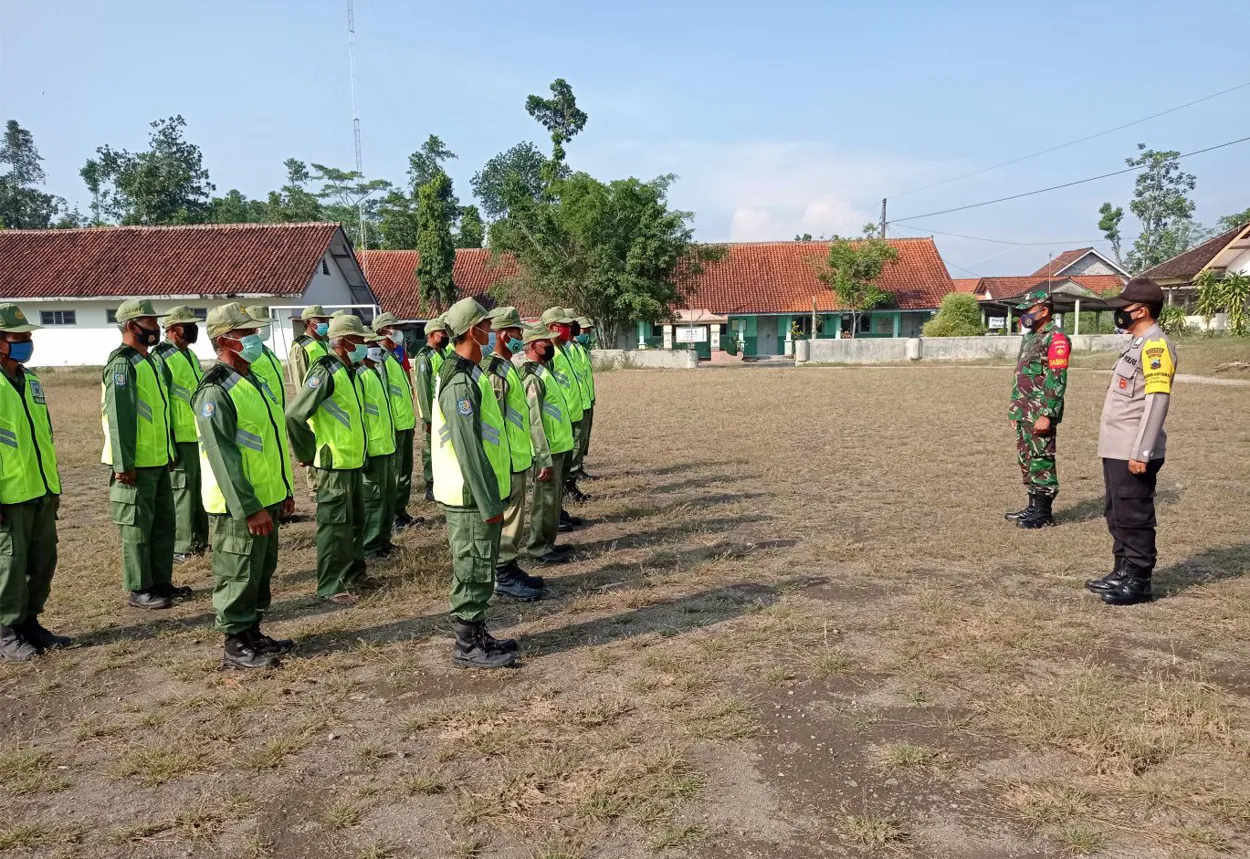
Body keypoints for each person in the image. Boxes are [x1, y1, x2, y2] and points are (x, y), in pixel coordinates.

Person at [192, 304, 296, 670]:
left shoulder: (253, 380)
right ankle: (235, 643)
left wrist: (283, 491)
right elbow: (223, 455)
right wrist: (249, 507)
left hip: (266, 496)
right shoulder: (215, 391)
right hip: (239, 505)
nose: (255, 339)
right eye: (246, 334)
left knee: (259, 572)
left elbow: (270, 440)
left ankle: (252, 632)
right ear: (224, 341)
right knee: (237, 573)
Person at [432, 298, 517, 669]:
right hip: (469, 495)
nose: (491, 331)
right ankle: (466, 646)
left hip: (479, 492)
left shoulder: (471, 371)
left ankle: (479, 633)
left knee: (481, 567)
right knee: (472, 567)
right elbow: (467, 447)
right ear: (472, 330)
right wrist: (488, 501)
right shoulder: (459, 381)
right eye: (486, 326)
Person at [1085, 278, 1178, 606]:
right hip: (1117, 446)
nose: (1120, 312)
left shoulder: (1156, 346)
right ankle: (1122, 570)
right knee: (1117, 512)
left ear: (1141, 310)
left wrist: (1142, 450)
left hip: (1133, 449)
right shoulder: (1135, 344)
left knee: (1134, 515)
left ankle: (1139, 581)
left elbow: (1157, 400)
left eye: (1124, 307)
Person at [102, 299, 187, 610]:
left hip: (158, 459)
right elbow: (120, 418)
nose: (155, 328)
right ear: (130, 326)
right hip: (135, 463)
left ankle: (161, 582)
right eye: (149, 322)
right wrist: (124, 463)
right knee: (137, 528)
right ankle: (140, 588)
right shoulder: (122, 365)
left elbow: (161, 412)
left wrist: (169, 450)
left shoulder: (150, 361)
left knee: (163, 526)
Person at [0, 304, 71, 660]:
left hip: (40, 490)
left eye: (28, 335)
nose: (28, 342)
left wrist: (53, 487)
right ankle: (5, 632)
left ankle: (30, 624)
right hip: (9, 496)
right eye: (19, 337)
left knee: (43, 561)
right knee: (9, 568)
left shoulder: (30, 380)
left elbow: (45, 435)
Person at [285, 314, 371, 605]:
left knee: (355, 523)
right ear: (345, 343)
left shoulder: (349, 370)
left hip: (352, 461)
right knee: (335, 527)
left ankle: (355, 574)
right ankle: (331, 585)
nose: (364, 345)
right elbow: (294, 415)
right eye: (359, 340)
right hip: (334, 465)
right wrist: (308, 453)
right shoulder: (325, 371)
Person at [482, 307, 543, 600]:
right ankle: (502, 574)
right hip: (505, 460)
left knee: (516, 518)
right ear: (504, 335)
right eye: (518, 332)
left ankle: (510, 565)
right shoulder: (494, 372)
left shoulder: (508, 367)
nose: (521, 337)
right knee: (508, 518)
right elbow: (493, 423)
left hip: (518, 456)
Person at [1004, 288, 1069, 529]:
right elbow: (1021, 375)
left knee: (1041, 459)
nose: (1025, 315)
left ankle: (1043, 512)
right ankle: (1032, 506)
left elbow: (1056, 378)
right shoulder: (1031, 337)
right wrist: (1015, 409)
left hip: (1040, 412)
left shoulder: (1056, 339)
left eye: (1028, 310)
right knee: (1027, 457)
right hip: (1025, 410)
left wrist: (1047, 414)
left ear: (1044, 311)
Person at [152, 306, 209, 561]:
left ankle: (200, 540)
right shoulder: (161, 356)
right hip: (179, 436)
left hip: (197, 434)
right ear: (173, 328)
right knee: (182, 491)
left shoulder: (190, 355)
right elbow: (160, 402)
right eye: (188, 325)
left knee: (199, 489)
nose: (193, 329)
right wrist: (168, 441)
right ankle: (181, 545)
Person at [520, 326, 575, 566]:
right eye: (546, 343)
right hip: (548, 450)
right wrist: (542, 457)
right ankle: (538, 547)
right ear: (533, 346)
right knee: (545, 501)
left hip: (559, 446)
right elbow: (534, 421)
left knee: (553, 500)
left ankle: (548, 542)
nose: (551, 346)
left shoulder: (544, 371)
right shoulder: (532, 377)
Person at [371, 312, 420, 531]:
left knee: (405, 471)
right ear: (383, 331)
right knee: (394, 474)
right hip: (394, 425)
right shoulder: (379, 358)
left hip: (405, 423)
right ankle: (391, 516)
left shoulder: (395, 355)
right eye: (394, 328)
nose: (398, 331)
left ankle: (401, 511)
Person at [540, 308, 587, 528]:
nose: (569, 329)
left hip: (570, 416)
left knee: (565, 466)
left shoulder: (564, 350)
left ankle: (559, 509)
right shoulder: (549, 355)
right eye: (565, 326)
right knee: (555, 473)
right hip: (557, 422)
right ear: (552, 327)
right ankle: (554, 514)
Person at [357, 333, 399, 560]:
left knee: (388, 497)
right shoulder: (360, 375)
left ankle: (384, 540)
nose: (376, 349)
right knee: (373, 501)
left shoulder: (376, 372)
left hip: (386, 446)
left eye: (376, 344)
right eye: (370, 345)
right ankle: (371, 546)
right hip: (373, 450)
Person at [415, 316, 450, 503]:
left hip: (445, 410)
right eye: (441, 332)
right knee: (430, 450)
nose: (445, 335)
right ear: (431, 335)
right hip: (432, 413)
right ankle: (430, 484)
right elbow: (422, 389)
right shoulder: (424, 357)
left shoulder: (443, 353)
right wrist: (428, 419)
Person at [244, 306, 287, 410]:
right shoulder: (245, 353)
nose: (267, 328)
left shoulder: (265, 349)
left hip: (276, 410)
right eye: (263, 325)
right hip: (262, 410)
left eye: (268, 324)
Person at [571, 314, 598, 480]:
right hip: (578, 402)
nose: (587, 335)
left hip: (587, 401)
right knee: (576, 439)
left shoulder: (582, 350)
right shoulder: (570, 349)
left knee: (583, 439)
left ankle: (579, 467)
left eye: (589, 332)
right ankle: (573, 473)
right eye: (584, 331)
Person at [289, 305, 331, 384]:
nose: (325, 323)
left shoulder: (325, 343)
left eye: (325, 320)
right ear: (309, 322)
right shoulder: (300, 347)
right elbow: (300, 378)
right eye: (321, 320)